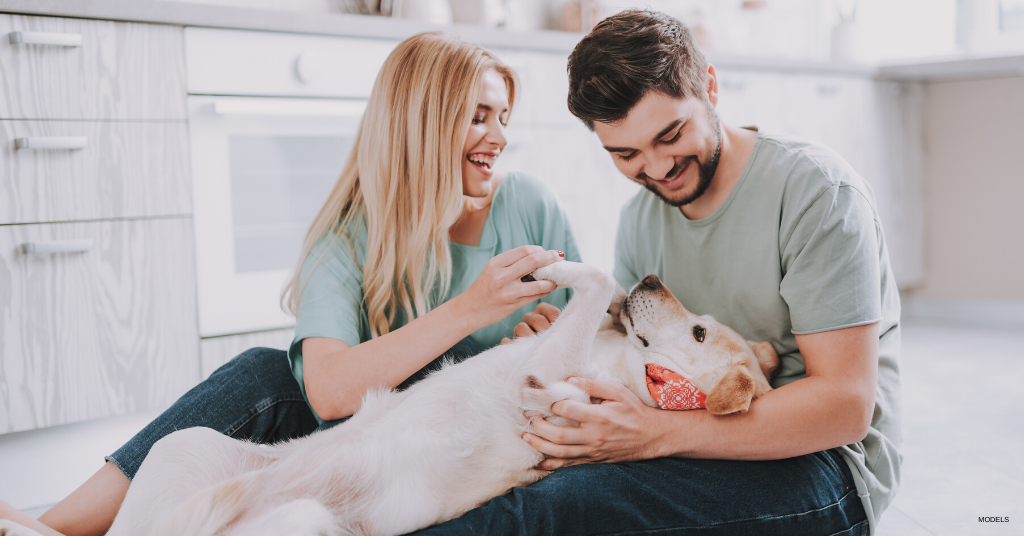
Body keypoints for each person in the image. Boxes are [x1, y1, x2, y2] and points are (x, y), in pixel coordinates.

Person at [0, 32, 580, 536]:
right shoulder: (346, 235)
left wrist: (550, 337)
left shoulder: (528, 204)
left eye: (503, 117)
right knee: (270, 372)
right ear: (420, 125)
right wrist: (472, 308)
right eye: (478, 116)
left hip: (478, 439)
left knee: (450, 365)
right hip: (376, 438)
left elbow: (595, 331)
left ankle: (41, 529)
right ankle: (52, 526)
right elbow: (328, 392)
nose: (499, 136)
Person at [410, 9, 901, 536]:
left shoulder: (817, 194)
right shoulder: (640, 219)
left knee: (554, 510)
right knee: (501, 479)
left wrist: (653, 434)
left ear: (709, 86)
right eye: (626, 154)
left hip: (818, 466)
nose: (658, 168)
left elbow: (844, 407)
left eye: (670, 135)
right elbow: (632, 349)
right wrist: (562, 344)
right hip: (685, 437)